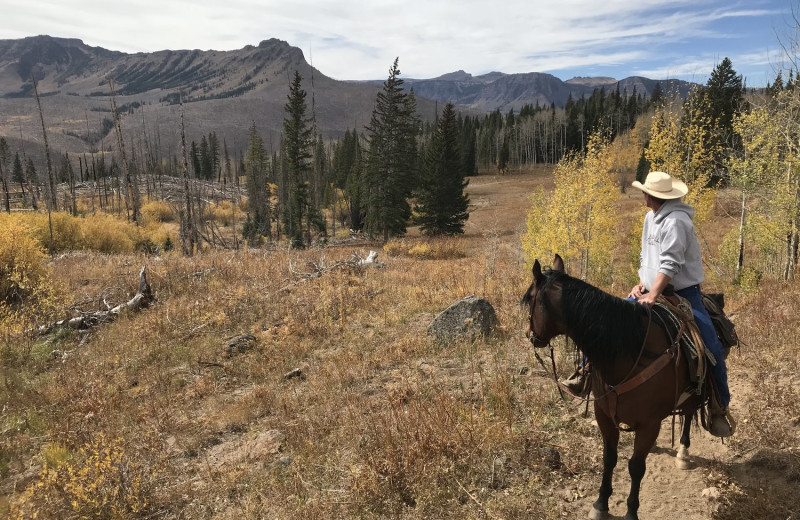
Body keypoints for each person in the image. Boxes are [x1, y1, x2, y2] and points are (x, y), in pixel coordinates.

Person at [563, 171, 734, 437]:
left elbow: (671, 262)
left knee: (709, 345)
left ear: (654, 195)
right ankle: (585, 372)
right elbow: (648, 257)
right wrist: (641, 283)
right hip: (649, 288)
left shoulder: (677, 221)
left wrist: (654, 293)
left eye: (645, 192)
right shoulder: (651, 217)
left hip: (683, 292)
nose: (642, 196)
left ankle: (719, 406)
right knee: (605, 322)